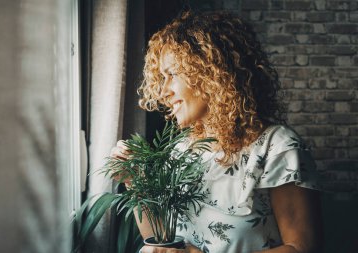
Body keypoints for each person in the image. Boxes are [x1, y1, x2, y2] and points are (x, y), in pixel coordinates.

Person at [111, 11, 323, 253]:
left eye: (172, 75)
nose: (163, 91)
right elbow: (162, 235)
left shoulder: (277, 148)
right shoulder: (182, 150)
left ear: (212, 73)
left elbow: (302, 248)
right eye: (161, 78)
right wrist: (135, 181)